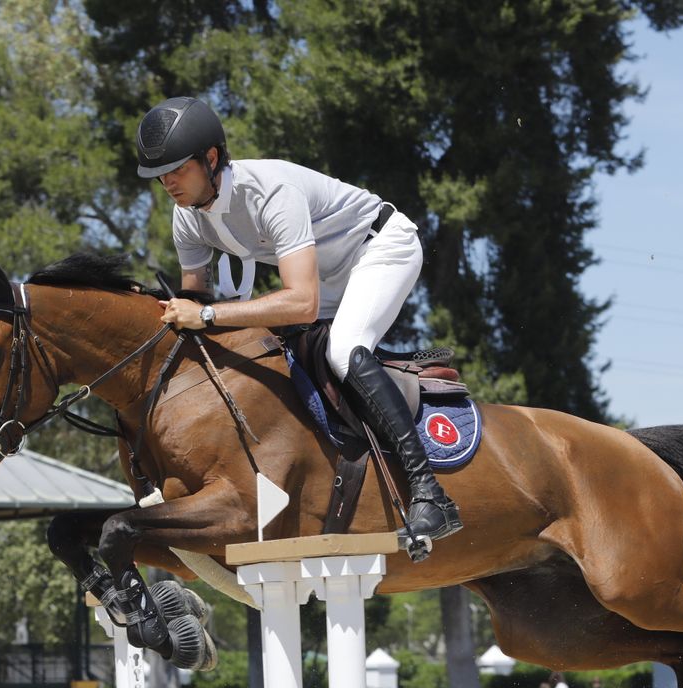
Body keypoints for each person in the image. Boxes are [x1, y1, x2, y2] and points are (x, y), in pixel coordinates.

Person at [138, 96, 462, 557]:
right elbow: (196, 297)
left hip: (380, 248)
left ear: (210, 159)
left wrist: (207, 315)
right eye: (160, 175)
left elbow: (302, 303)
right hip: (327, 274)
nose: (168, 182)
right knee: (277, 351)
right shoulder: (187, 216)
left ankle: (430, 493)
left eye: (177, 169)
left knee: (342, 349)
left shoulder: (269, 192)